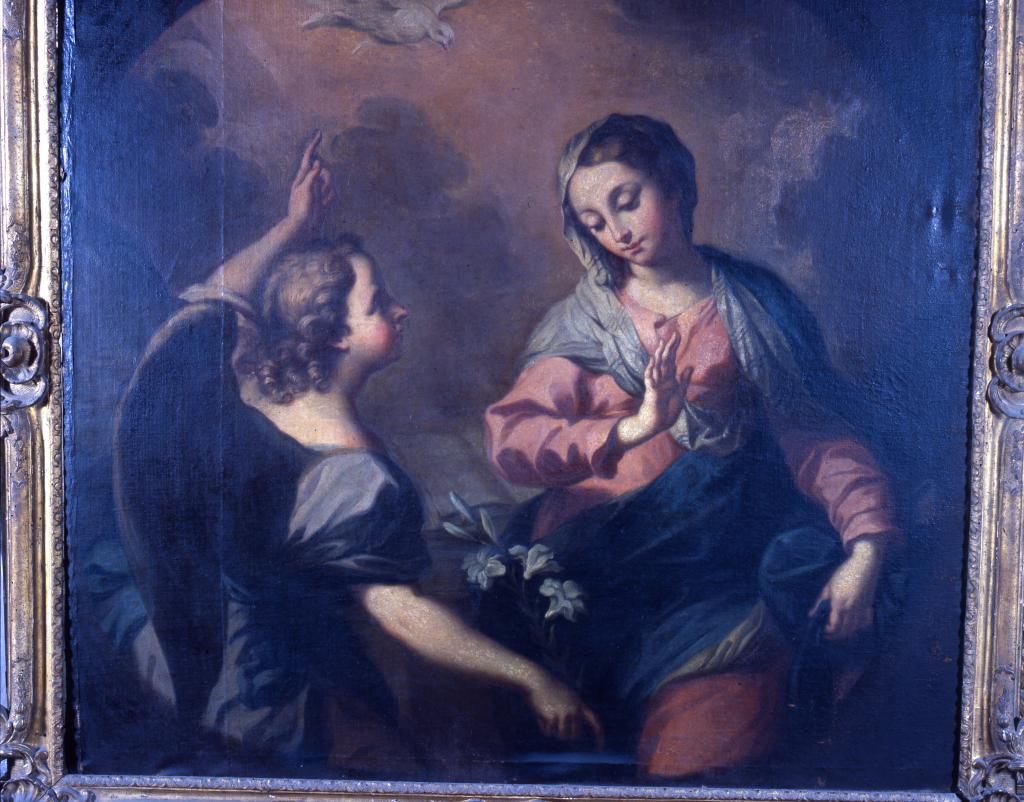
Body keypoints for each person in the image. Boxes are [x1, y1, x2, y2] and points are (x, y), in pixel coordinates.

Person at [114, 133, 599, 776]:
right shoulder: (358, 478)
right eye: (378, 304)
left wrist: (293, 228)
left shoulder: (239, 391)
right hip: (274, 687)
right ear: (335, 334)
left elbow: (208, 303)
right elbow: (400, 610)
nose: (401, 310)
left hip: (177, 652)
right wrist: (532, 677)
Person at [483, 114, 900, 779]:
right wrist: (634, 427)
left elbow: (815, 436)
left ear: (675, 185)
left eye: (628, 200)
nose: (617, 230)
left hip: (715, 570)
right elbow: (513, 441)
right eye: (594, 220)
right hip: (595, 569)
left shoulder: (755, 308)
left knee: (717, 729)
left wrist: (867, 547)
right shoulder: (586, 322)